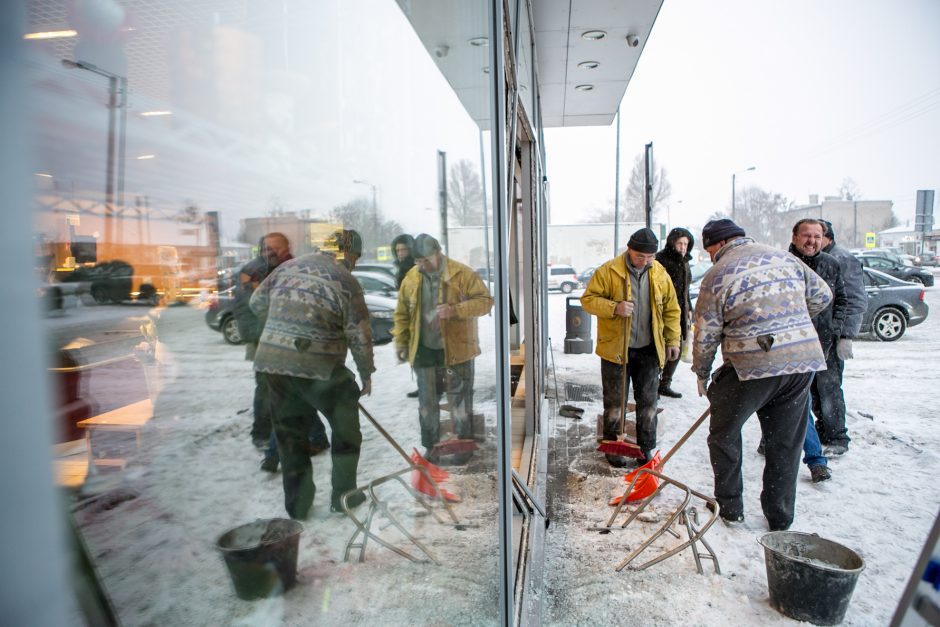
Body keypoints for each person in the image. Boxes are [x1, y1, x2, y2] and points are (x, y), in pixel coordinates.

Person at [693, 218, 832, 531]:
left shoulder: (719, 274)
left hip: (751, 365)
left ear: (715, 246)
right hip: (800, 363)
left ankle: (730, 508)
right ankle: (780, 516)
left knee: (724, 433)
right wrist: (790, 323)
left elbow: (706, 332)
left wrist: (701, 372)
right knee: (785, 442)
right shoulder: (784, 258)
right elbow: (822, 295)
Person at [250, 229, 374, 518]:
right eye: (355, 256)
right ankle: (344, 496)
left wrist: (282, 325)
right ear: (347, 253)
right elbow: (359, 334)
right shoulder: (346, 281)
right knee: (346, 431)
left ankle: (298, 506)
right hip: (318, 365)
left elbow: (257, 303)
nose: (354, 262)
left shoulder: (287, 267)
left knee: (290, 434)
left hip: (274, 364)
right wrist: (366, 373)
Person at [581, 228, 681, 467]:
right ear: (629, 249)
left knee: (648, 403)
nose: (645, 261)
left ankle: (645, 447)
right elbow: (588, 300)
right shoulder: (608, 271)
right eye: (640, 256)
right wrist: (614, 307)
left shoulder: (659, 274)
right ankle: (614, 445)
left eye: (650, 257)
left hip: (648, 349)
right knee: (615, 402)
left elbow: (671, 309)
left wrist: (673, 340)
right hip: (617, 350)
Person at [393, 234, 493, 462]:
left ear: (438, 253)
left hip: (457, 350)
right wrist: (400, 341)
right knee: (427, 404)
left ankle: (463, 445)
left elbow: (486, 301)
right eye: (418, 261)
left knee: (460, 399)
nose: (422, 266)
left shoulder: (462, 273)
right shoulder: (412, 277)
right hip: (424, 350)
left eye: (427, 260)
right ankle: (432, 445)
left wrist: (455, 309)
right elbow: (401, 313)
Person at [787, 218, 848, 481]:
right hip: (791, 347)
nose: (812, 241)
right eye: (806, 235)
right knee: (800, 400)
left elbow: (843, 299)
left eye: (817, 236)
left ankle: (832, 439)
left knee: (824, 393)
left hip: (824, 344)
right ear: (794, 237)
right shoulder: (783, 263)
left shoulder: (831, 264)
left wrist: (838, 332)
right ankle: (815, 458)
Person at [818, 220, 868, 455]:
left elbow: (855, 300)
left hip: (832, 335)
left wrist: (846, 334)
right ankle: (823, 429)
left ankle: (837, 437)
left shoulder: (842, 259)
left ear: (827, 237)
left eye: (817, 235)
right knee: (813, 389)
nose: (812, 240)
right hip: (816, 336)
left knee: (829, 387)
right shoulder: (816, 259)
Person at [655, 227, 694, 399]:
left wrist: (689, 308)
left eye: (686, 244)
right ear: (672, 242)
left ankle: (665, 383)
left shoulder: (685, 261)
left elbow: (685, 289)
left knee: (676, 347)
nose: (683, 247)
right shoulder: (660, 260)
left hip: (680, 311)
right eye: (680, 243)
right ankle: (652, 384)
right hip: (663, 311)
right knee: (658, 348)